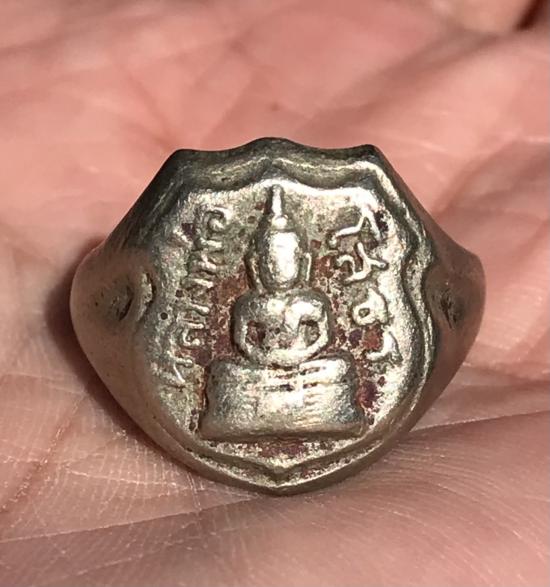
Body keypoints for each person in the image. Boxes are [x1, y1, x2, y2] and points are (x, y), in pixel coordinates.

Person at [0, 0, 547, 585]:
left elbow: (320, 335)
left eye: (283, 258)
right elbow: (244, 340)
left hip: (311, 375)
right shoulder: (248, 302)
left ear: (300, 260)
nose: (275, 266)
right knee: (229, 376)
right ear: (257, 262)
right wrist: (267, 355)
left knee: (334, 369)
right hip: (254, 377)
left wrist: (298, 355)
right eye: (266, 258)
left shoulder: (311, 300)